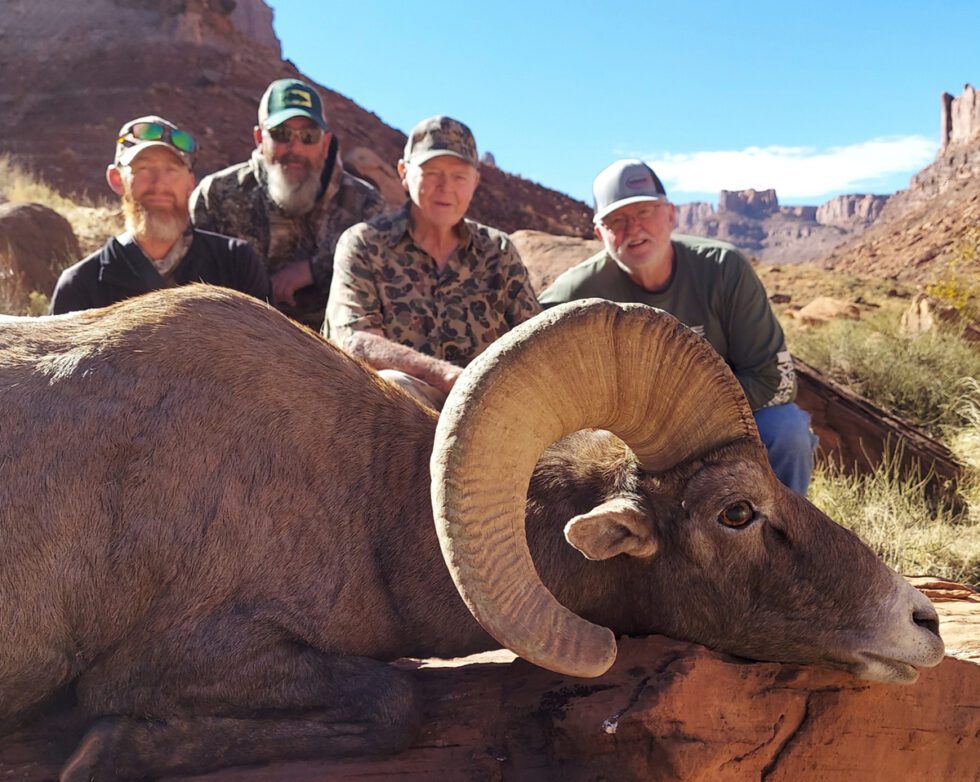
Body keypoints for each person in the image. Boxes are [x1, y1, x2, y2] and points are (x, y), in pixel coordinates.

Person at [539, 159, 817, 494]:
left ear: (671, 215)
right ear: (600, 233)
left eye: (644, 212)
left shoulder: (724, 269)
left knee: (786, 429)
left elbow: (775, 380)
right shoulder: (572, 295)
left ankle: (784, 524)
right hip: (624, 443)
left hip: (719, 423)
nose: (633, 228)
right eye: (617, 220)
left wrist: (684, 418)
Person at [325, 115, 540, 407]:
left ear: (475, 181)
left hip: (488, 412)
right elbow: (357, 342)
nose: (445, 186)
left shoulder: (498, 251)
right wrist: (450, 378)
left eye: (459, 176)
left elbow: (535, 343)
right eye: (432, 172)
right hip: (394, 413)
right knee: (393, 384)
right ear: (404, 172)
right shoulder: (364, 244)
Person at [190, 78, 384, 330]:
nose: (295, 148)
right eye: (281, 134)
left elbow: (382, 276)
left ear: (325, 144)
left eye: (308, 136)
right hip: (236, 338)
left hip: (334, 347)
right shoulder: (215, 195)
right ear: (259, 138)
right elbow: (194, 286)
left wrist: (315, 269)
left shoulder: (364, 203)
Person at [49, 116, 270, 315]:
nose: (159, 184)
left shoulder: (236, 265)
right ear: (117, 179)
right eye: (144, 169)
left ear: (190, 183)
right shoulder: (80, 285)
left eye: (171, 170)